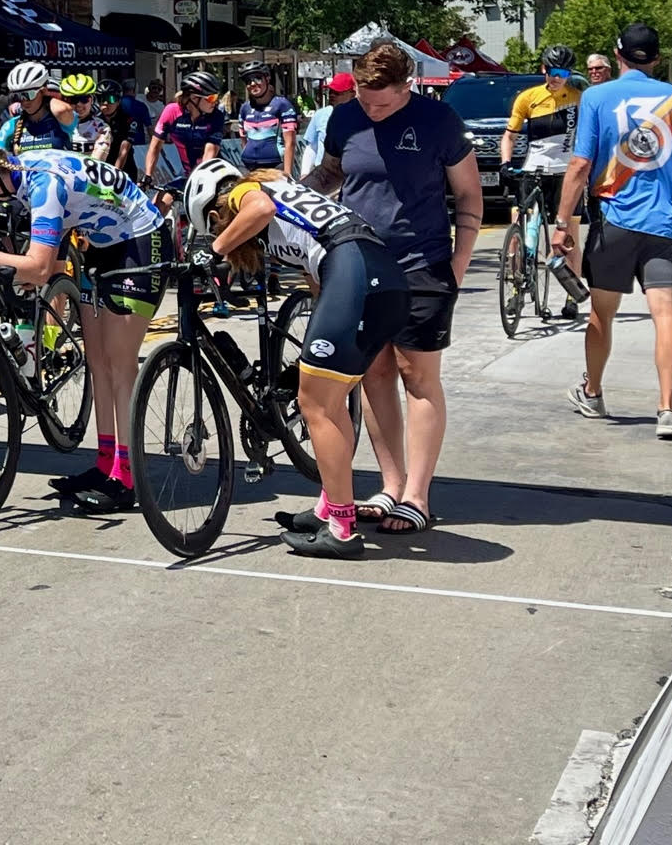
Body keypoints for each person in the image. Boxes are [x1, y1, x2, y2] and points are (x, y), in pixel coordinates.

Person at [187, 158, 409, 558]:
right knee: (327, 398)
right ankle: (330, 506)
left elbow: (259, 210)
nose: (226, 235)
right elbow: (321, 286)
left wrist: (212, 249)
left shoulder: (243, 193)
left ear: (217, 212)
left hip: (356, 268)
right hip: (379, 274)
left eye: (216, 226)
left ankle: (341, 528)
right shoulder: (292, 196)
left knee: (316, 406)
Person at [0, 142, 167, 514]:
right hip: (104, 241)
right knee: (97, 363)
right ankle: (107, 463)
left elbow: (39, 267)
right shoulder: (23, 174)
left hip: (140, 237)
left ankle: (128, 474)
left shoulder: (44, 186)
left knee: (120, 365)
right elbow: (52, 249)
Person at [305, 41, 482, 535]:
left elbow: (469, 194)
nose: (372, 109)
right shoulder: (345, 119)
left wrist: (458, 263)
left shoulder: (437, 120)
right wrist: (290, 194)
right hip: (358, 260)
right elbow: (331, 173)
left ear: (408, 87)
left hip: (422, 260)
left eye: (383, 102)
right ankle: (390, 483)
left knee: (417, 376)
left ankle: (418, 495)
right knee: (373, 373)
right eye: (365, 98)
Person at [553, 25, 672, 439]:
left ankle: (594, 391)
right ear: (656, 60)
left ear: (617, 56)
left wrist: (563, 221)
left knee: (602, 313)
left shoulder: (597, 97)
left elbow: (580, 165)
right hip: (664, 224)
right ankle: (668, 410)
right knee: (665, 315)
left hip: (614, 220)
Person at [502, 45, 586, 320]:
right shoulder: (529, 97)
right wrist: (505, 163)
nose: (556, 77)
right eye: (552, 71)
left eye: (562, 72)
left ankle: (572, 296)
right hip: (533, 170)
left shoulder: (578, 98)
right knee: (518, 226)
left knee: (569, 236)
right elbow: (510, 135)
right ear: (543, 70)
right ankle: (516, 289)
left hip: (565, 173)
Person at [143, 70, 226, 193]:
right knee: (159, 204)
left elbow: (210, 153)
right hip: (188, 176)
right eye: (211, 98)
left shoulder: (216, 115)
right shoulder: (172, 111)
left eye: (216, 97)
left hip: (211, 174)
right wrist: (148, 175)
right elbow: (155, 147)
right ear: (194, 98)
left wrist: (196, 181)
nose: (215, 102)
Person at [0, 62, 76, 154]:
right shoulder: (12, 125)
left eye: (28, 95)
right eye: (17, 96)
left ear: (43, 91)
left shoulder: (61, 118)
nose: (24, 101)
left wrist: (48, 97)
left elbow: (62, 110)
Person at [234, 60, 298, 172]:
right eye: (248, 81)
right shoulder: (245, 108)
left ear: (267, 79)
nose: (253, 84)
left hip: (274, 166)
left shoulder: (282, 105)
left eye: (258, 78)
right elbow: (243, 140)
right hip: (247, 166)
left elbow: (290, 143)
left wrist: (287, 174)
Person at [298, 72, 353, 176]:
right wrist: (304, 173)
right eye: (330, 91)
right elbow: (312, 147)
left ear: (352, 93)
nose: (332, 95)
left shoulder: (362, 117)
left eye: (337, 93)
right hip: (323, 174)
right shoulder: (320, 114)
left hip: (348, 175)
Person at [95, 83, 138, 173]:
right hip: (101, 168)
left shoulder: (128, 121)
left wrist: (116, 173)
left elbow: (124, 150)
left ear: (118, 101)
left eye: (111, 99)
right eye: (101, 99)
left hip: (124, 169)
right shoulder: (94, 120)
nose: (106, 103)